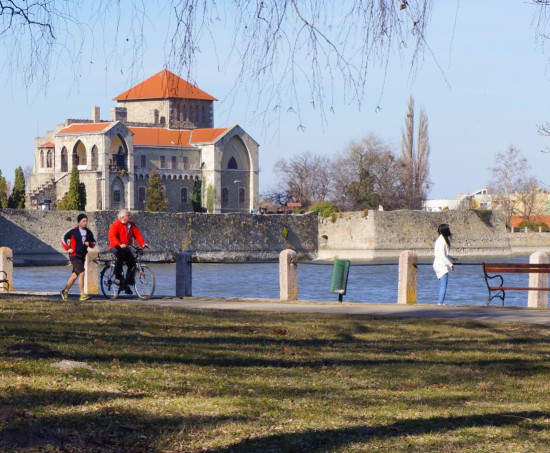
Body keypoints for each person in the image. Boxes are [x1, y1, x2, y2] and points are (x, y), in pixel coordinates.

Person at [108, 209, 148, 294]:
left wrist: (143, 244)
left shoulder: (131, 225)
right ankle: (118, 277)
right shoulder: (116, 224)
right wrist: (119, 244)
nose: (130, 216)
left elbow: (137, 235)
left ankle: (127, 283)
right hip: (115, 247)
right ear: (122, 217)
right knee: (120, 256)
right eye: (128, 215)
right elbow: (112, 236)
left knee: (132, 263)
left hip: (126, 248)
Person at [60, 213, 96, 301]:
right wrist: (68, 248)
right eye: (83, 221)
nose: (85, 222)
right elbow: (62, 238)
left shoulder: (88, 232)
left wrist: (89, 244)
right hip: (74, 256)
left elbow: (94, 243)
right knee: (82, 273)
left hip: (82, 256)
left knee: (74, 276)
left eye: (86, 221)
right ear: (79, 222)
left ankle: (65, 291)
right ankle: (82, 294)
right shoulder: (73, 231)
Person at [433, 223, 458, 305]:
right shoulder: (441, 241)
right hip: (440, 265)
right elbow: (442, 255)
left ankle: (440, 302)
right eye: (448, 229)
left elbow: (444, 254)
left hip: (438, 264)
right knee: (443, 285)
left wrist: (451, 258)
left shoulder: (441, 239)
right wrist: (450, 264)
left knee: (442, 285)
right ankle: (440, 303)